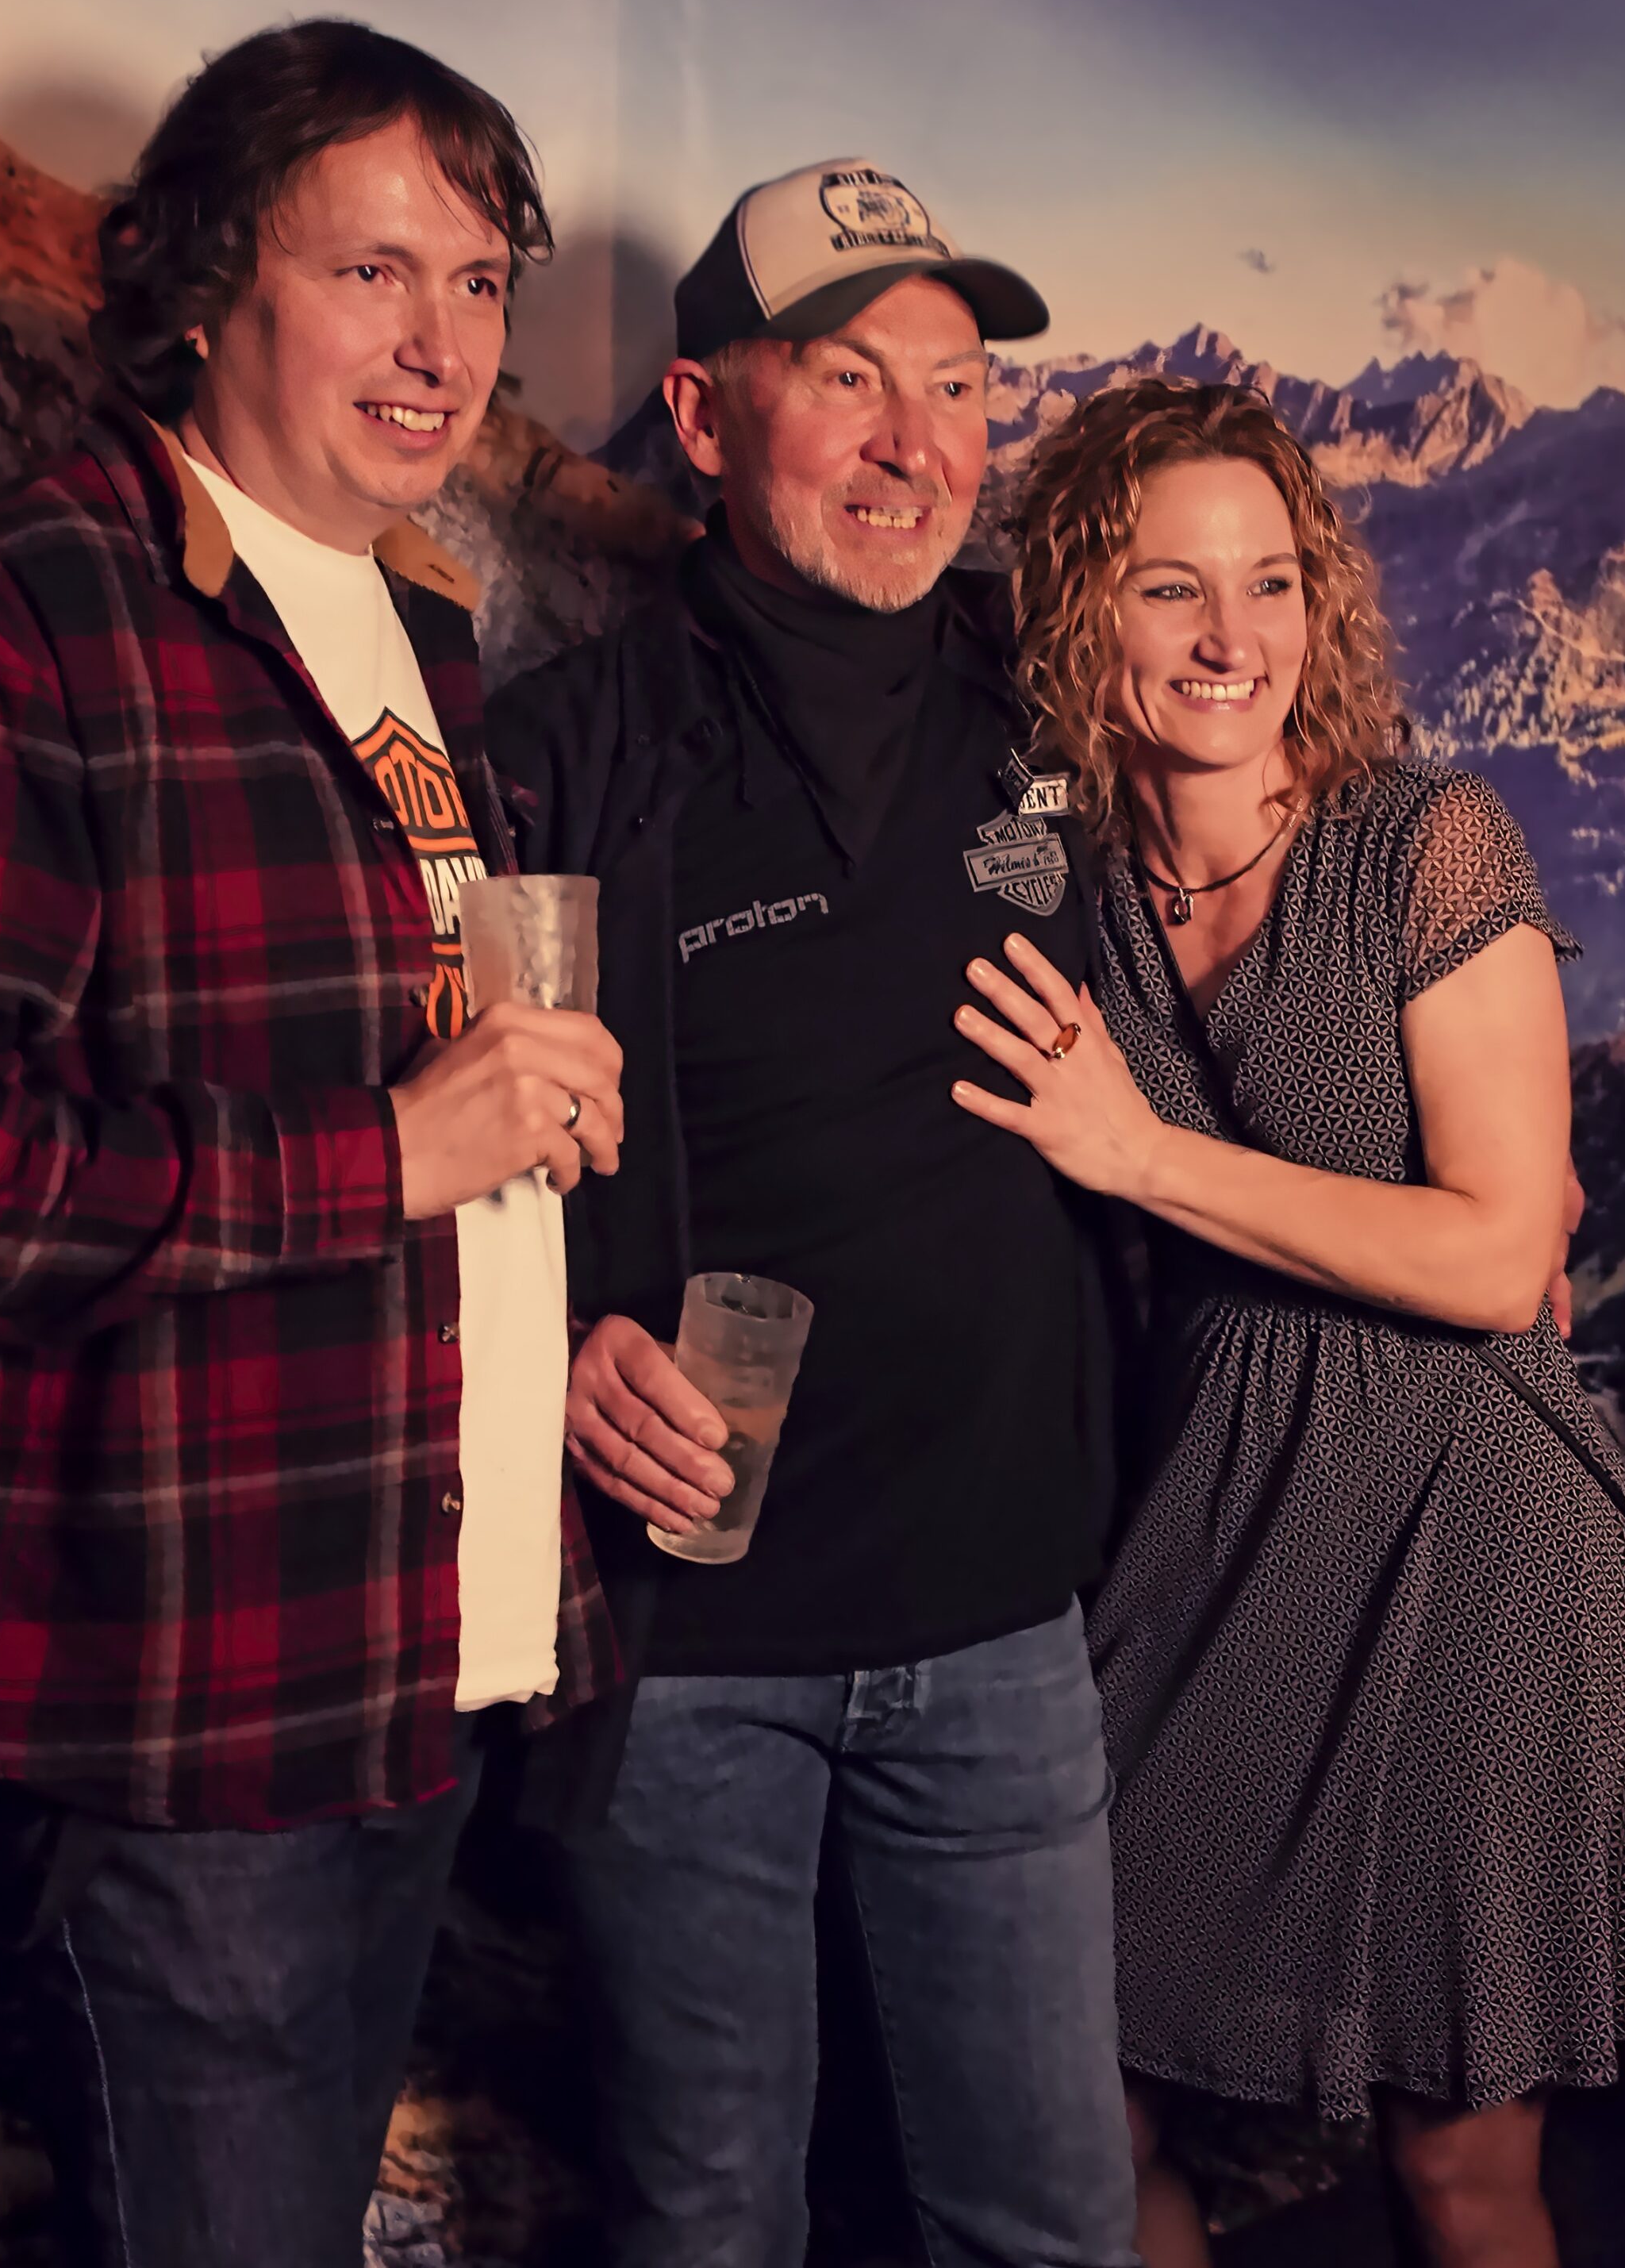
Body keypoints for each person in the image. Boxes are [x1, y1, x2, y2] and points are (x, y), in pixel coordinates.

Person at [0, 23, 623, 2268]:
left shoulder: (422, 624)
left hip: (416, 1653)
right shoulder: (3, 619)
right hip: (189, 1707)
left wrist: (526, 1187)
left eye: (480, 284)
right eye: (372, 272)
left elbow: (412, 1084)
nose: (443, 346)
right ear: (201, 285)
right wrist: (379, 1156)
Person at [947, 377, 1625, 2268]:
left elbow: (1498, 1254)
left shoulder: (1427, 839)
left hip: (1474, 1526)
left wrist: (1138, 1154)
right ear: (1078, 612)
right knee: (1075, 2095)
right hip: (1221, 1504)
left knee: (1456, 2163)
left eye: (1270, 582)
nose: (1232, 638)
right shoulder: (1074, 874)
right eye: (1169, 587)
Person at [489, 156, 1135, 2268]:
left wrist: (1471, 1085)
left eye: (954, 387)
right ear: (701, 416)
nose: (912, 442)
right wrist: (559, 1344)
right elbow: (458, 1152)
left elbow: (1279, 848)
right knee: (706, 2223)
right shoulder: (562, 756)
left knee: (1047, 2222)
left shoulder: (1057, 707)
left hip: (1004, 1617)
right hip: (689, 1647)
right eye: (848, 378)